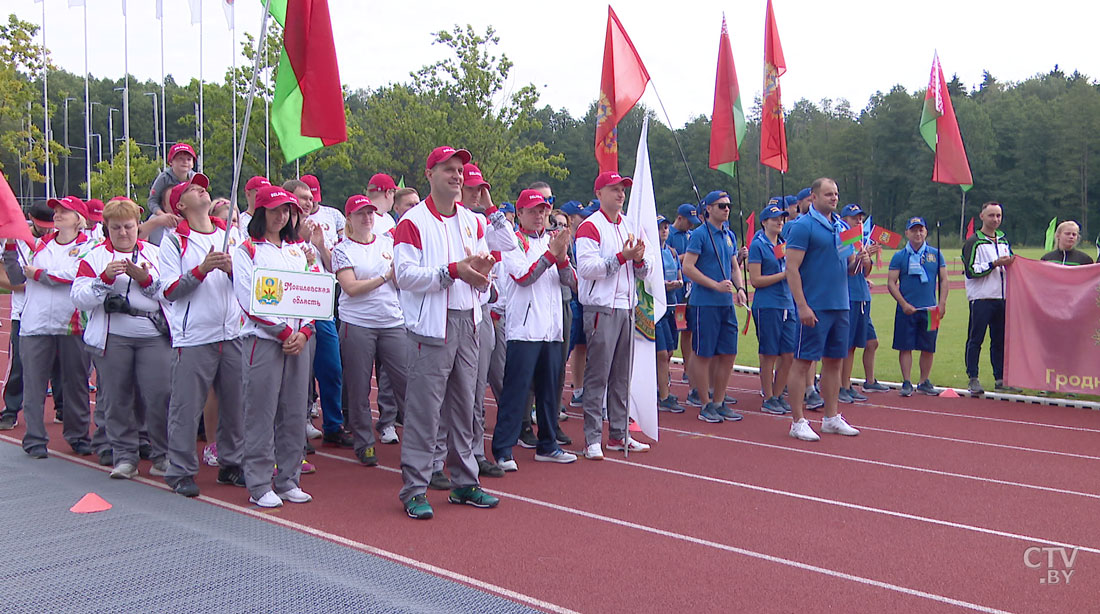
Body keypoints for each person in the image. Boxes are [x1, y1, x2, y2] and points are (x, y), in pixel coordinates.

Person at [393, 145, 500, 519]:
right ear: (430, 174)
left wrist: (483, 275)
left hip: (468, 321)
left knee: (466, 408)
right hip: (430, 328)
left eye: (459, 170)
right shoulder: (412, 221)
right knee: (425, 410)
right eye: (448, 169)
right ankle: (415, 488)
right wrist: (452, 272)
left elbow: (486, 268)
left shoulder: (473, 221)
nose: (456, 176)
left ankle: (465, 481)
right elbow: (404, 275)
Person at [158, 173, 247, 497]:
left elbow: (249, 280)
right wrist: (202, 268)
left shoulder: (231, 234)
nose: (201, 189)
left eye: (202, 186)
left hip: (232, 332)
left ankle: (232, 463)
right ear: (180, 205)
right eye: (192, 188)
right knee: (186, 406)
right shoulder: (174, 240)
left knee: (236, 404)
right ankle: (180, 470)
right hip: (194, 335)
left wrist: (233, 270)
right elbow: (168, 290)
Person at [72, 198, 172, 479]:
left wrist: (145, 280)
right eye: (116, 228)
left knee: (159, 395)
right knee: (117, 398)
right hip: (113, 336)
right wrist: (103, 280)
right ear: (107, 228)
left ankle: (161, 454)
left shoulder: (155, 253)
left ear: (138, 226)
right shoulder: (93, 257)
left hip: (153, 335)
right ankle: (125, 456)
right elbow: (78, 298)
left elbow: (169, 293)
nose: (123, 233)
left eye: (129, 227)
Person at [232, 185, 316, 508]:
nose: (282, 216)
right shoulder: (248, 250)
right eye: (276, 209)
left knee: (294, 413)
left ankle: (288, 479)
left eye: (287, 211)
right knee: (261, 412)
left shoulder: (298, 250)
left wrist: (305, 331)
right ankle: (258, 482)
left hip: (299, 342)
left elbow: (314, 294)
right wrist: (283, 332)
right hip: (264, 341)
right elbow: (248, 299)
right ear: (262, 212)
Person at [491, 189, 578, 470]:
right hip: (524, 330)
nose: (539, 215)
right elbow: (525, 277)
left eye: (543, 210)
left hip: (552, 330)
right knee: (516, 392)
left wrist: (562, 256)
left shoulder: (552, 241)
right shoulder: (513, 243)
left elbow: (570, 281)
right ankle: (503, 449)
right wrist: (553, 255)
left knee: (550, 392)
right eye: (532, 210)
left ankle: (548, 444)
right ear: (519, 214)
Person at [8, 196, 94, 459]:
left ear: (78, 219)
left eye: (64, 211)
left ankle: (78, 436)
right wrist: (11, 248)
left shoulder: (90, 246)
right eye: (56, 210)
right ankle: (34, 439)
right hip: (35, 323)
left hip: (73, 324)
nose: (56, 214)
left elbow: (74, 276)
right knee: (34, 385)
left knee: (76, 384)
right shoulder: (38, 246)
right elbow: (16, 277)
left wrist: (39, 275)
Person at [575, 171, 652, 459]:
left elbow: (646, 268)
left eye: (622, 189)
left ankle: (620, 433)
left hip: (626, 307)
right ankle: (592, 437)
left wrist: (640, 259)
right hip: (601, 307)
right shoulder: (590, 227)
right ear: (599, 194)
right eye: (614, 189)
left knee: (622, 376)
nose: (620, 194)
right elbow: (586, 268)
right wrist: (622, 257)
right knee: (598, 375)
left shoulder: (629, 225)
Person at [332, 194, 408, 467]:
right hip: (358, 323)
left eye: (370, 213)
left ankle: (417, 440)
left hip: (391, 321)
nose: (367, 218)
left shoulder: (388, 243)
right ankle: (365, 443)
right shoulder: (342, 249)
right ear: (349, 218)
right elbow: (350, 288)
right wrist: (383, 278)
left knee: (406, 382)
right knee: (358, 385)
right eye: (360, 214)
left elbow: (401, 280)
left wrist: (396, 276)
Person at [784, 178, 862, 442]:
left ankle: (831, 417)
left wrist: (862, 259)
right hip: (815, 305)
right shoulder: (802, 226)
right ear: (814, 197)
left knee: (834, 362)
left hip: (840, 304)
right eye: (828, 194)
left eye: (836, 194)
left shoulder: (841, 227)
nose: (833, 198)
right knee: (803, 361)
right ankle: (797, 421)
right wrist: (802, 305)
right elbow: (791, 268)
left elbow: (849, 266)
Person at [289, 177, 349, 447]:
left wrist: (321, 244)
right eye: (302, 197)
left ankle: (333, 424)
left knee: (331, 366)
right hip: (292, 306)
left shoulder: (319, 226)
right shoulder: (277, 228)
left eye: (311, 197)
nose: (309, 201)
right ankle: (297, 425)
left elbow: (331, 265)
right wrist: (297, 238)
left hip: (320, 303)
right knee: (298, 371)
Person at [681, 190, 746, 423]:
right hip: (704, 303)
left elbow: (733, 265)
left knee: (729, 352)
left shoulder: (729, 235)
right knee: (704, 353)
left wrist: (740, 289)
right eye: (720, 205)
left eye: (728, 205)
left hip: (725, 303)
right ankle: (705, 402)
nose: (726, 209)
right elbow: (687, 267)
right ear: (708, 209)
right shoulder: (699, 235)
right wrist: (714, 285)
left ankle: (719, 401)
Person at [0, 201, 57, 431]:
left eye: (49, 225)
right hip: (23, 312)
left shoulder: (59, 240)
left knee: (63, 364)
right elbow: (5, 276)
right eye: (41, 225)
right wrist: (22, 286)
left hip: (55, 311)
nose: (45, 229)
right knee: (20, 364)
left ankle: (62, 408)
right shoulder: (14, 241)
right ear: (30, 218)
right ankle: (11, 410)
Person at [962, 201, 1018, 395]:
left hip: (1002, 298)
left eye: (999, 216)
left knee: (1000, 340)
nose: (995, 219)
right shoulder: (973, 241)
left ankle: (1000, 378)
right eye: (991, 215)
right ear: (982, 216)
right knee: (976, 338)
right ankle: (973, 377)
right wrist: (994, 263)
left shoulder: (1003, 240)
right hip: (981, 297)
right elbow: (970, 271)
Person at [888, 216, 949, 397]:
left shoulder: (935, 254)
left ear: (926, 231)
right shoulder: (900, 256)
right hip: (907, 309)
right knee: (905, 346)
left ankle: (924, 381)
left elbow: (944, 279)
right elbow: (891, 282)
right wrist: (903, 303)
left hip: (931, 309)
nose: (918, 233)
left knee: (928, 346)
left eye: (921, 229)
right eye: (914, 230)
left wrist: (942, 303)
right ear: (907, 233)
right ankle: (906, 381)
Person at [747, 202, 794, 415]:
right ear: (764, 222)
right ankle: (768, 397)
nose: (780, 222)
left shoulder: (784, 244)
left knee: (789, 353)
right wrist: (784, 275)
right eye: (775, 219)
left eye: (782, 219)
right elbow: (755, 280)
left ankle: (778, 394)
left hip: (787, 303)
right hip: (768, 304)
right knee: (769, 353)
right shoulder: (758, 245)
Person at [837, 204, 877, 404]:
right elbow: (847, 268)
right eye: (854, 218)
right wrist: (860, 256)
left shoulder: (860, 240)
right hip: (849, 296)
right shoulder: (844, 238)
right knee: (846, 344)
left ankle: (847, 383)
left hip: (861, 295)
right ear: (844, 219)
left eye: (860, 218)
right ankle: (841, 385)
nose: (858, 221)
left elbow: (865, 271)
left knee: (853, 345)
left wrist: (867, 256)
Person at [560, 200, 593, 409]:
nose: (585, 219)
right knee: (563, 351)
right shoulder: (564, 241)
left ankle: (579, 391)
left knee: (582, 347)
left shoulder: (581, 239)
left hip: (582, 301)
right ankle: (553, 396)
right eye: (581, 216)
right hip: (571, 300)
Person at [655, 215, 685, 413]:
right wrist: (662, 286)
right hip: (656, 308)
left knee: (671, 351)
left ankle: (661, 387)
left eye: (666, 227)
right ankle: (663, 394)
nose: (664, 230)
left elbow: (680, 275)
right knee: (661, 352)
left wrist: (678, 283)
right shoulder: (650, 253)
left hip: (673, 304)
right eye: (660, 228)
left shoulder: (672, 253)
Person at [668, 203, 699, 386]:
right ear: (679, 218)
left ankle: (689, 368)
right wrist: (686, 257)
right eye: (688, 222)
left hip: (690, 288)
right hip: (675, 291)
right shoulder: (669, 234)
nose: (691, 226)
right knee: (674, 330)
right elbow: (667, 257)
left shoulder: (691, 235)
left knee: (689, 330)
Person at [144, 142, 197, 244]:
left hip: (188, 215)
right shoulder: (163, 178)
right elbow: (152, 201)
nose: (185, 162)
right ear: (171, 162)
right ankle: (155, 245)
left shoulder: (195, 178)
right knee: (154, 219)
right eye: (180, 158)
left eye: (188, 159)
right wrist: (162, 215)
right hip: (164, 213)